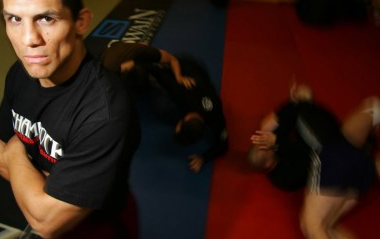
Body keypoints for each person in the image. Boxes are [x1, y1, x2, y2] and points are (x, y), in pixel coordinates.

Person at [0, 0, 140, 238]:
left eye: (46, 18)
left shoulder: (104, 110)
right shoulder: (21, 73)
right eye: (14, 19)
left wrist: (16, 150)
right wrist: (38, 192)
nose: (29, 40)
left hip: (99, 228)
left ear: (81, 21)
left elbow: (47, 223)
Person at [248, 84, 379, 239]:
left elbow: (282, 114)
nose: (264, 140)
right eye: (264, 148)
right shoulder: (284, 172)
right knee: (313, 225)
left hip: (343, 141)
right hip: (333, 155)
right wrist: (277, 142)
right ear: (269, 163)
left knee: (374, 106)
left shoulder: (280, 125)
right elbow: (308, 162)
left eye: (261, 141)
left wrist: (299, 97)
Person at [148, 55, 228, 173]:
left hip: (201, 80)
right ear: (188, 118)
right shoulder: (183, 92)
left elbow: (224, 144)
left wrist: (204, 157)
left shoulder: (215, 117)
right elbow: (157, 71)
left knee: (164, 109)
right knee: (161, 100)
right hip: (184, 64)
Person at [100, 41, 196, 97]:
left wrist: (179, 77)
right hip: (113, 54)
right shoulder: (107, 74)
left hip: (131, 53)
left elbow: (172, 59)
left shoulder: (143, 52)